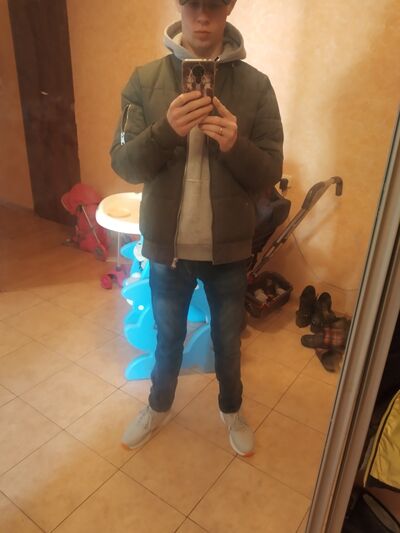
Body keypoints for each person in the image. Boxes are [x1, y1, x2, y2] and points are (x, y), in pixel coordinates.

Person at [110, 0, 283, 457]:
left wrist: (235, 144)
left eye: (213, 4)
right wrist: (165, 130)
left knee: (228, 343)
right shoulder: (143, 81)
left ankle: (232, 410)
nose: (202, 16)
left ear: (229, 6)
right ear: (179, 5)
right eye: (193, 3)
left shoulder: (257, 86)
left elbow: (269, 172)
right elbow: (124, 164)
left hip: (228, 250)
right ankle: (157, 406)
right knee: (167, 339)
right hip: (167, 249)